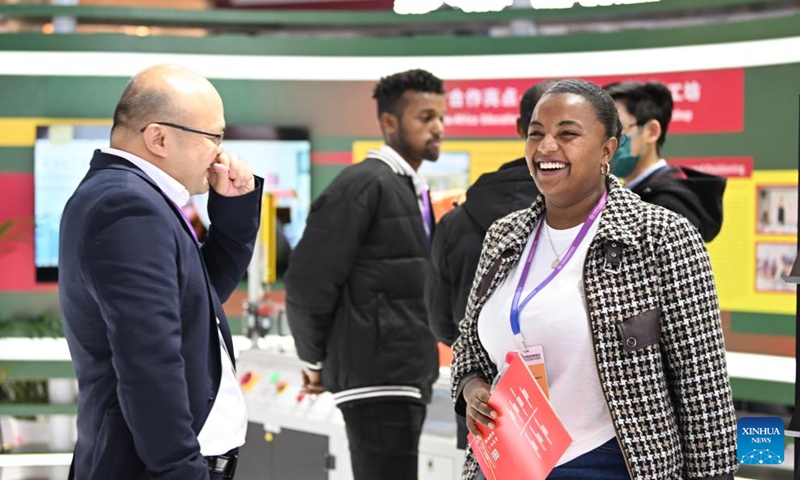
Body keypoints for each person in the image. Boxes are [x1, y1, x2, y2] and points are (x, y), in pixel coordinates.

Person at [450, 79, 737, 479]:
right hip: (504, 462)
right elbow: (469, 343)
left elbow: (703, 386)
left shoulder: (660, 236)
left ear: (607, 149)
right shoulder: (504, 235)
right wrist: (472, 387)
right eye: (536, 134)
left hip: (609, 464)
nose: (546, 147)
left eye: (568, 134)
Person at [59, 64, 262, 480]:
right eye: (214, 137)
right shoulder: (127, 206)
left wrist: (234, 209)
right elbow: (149, 361)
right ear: (159, 138)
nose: (220, 154)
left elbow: (201, 297)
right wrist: (180, 471)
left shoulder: (131, 198)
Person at [284, 69, 444, 480]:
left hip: (401, 375)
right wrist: (313, 358)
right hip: (378, 378)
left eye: (441, 117)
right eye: (425, 117)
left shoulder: (408, 186)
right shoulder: (363, 184)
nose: (438, 128)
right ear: (389, 121)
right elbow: (307, 281)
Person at [425, 80, 552, 450]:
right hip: (562, 404)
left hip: (478, 399)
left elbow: (440, 320)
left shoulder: (456, 220)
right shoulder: (578, 217)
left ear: (518, 127)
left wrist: (475, 360)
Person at [603, 80, 726, 242]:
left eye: (617, 130)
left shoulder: (668, 205)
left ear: (651, 132)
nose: (607, 142)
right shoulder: (633, 193)